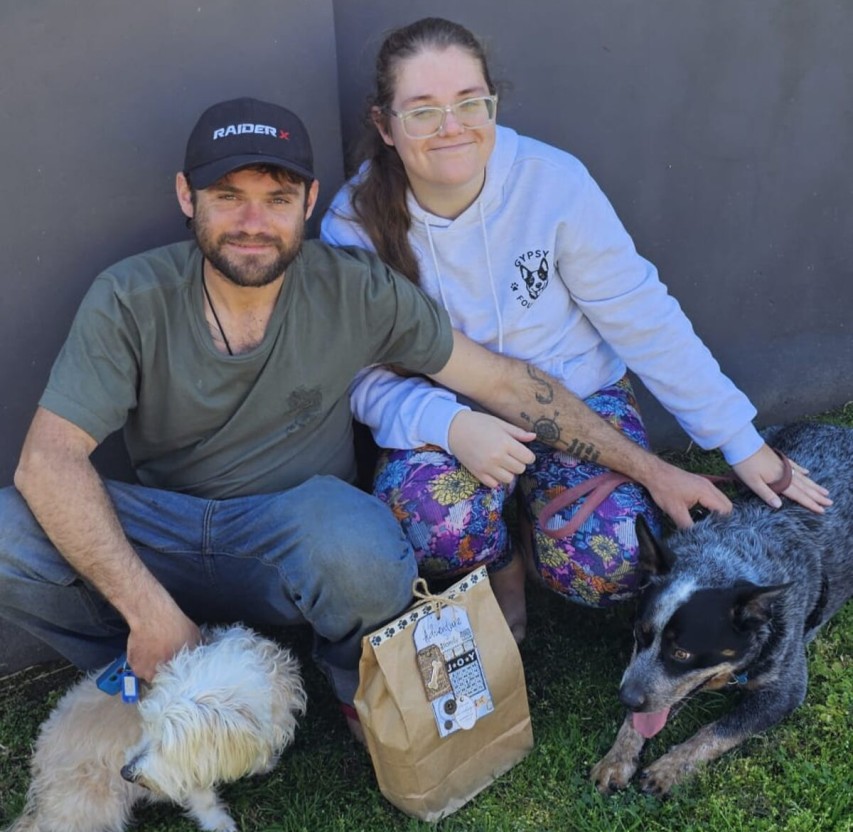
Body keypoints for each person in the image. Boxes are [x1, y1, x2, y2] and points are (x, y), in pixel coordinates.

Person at [0, 95, 736, 728]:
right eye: (227, 196)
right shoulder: (130, 295)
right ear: (186, 197)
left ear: (309, 201)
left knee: (360, 544)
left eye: (277, 197)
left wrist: (653, 469)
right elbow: (47, 460)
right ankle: (147, 671)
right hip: (167, 533)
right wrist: (149, 610)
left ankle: (355, 687)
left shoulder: (351, 287)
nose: (253, 221)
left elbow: (505, 383)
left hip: (295, 536)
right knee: (9, 530)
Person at [320, 17, 830, 639]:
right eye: (423, 111)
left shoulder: (552, 183)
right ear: (385, 125)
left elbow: (641, 315)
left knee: (620, 562)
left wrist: (739, 440)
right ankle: (501, 567)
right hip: (454, 421)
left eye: (469, 103)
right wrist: (447, 423)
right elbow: (363, 376)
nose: (451, 127)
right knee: (428, 522)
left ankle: (535, 520)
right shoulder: (353, 225)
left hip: (579, 400)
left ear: (493, 103)